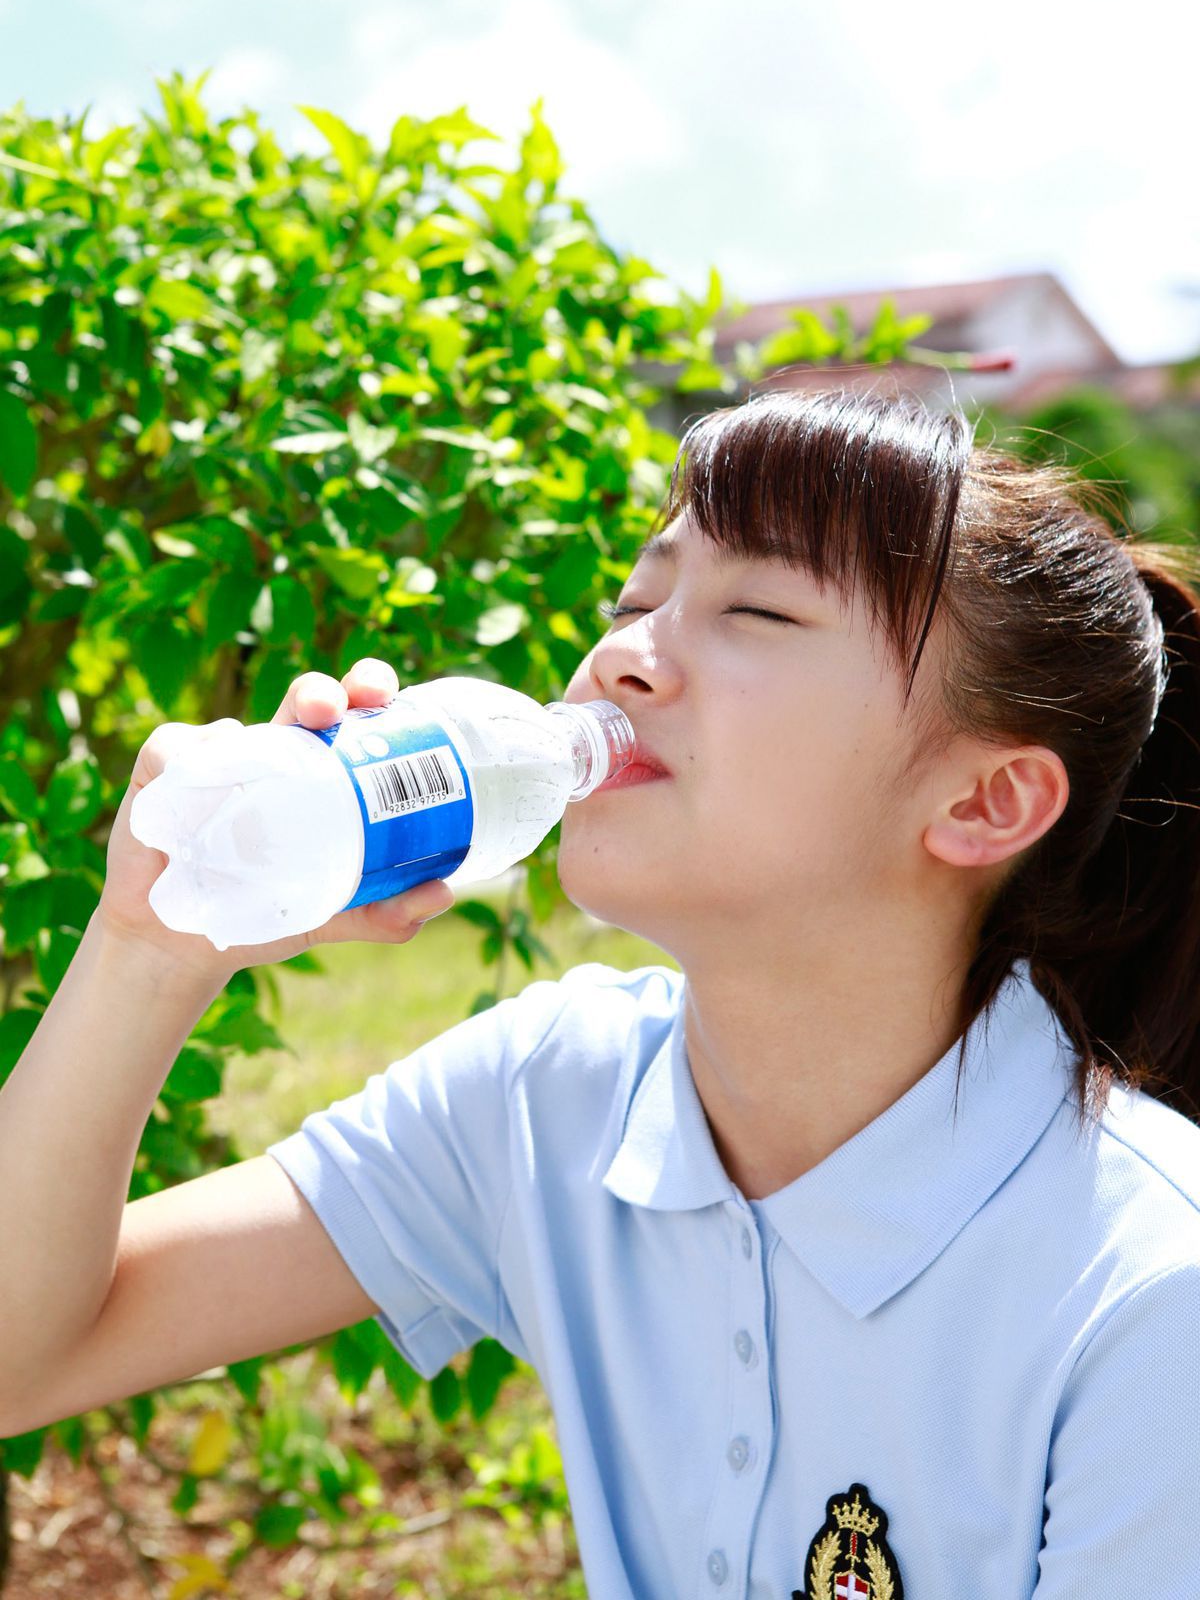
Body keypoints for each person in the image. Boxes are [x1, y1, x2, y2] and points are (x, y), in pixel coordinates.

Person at [3, 374, 1200, 1599]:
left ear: (984, 803)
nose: (624, 654)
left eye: (761, 613)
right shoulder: (551, 1097)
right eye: (637, 595)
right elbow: (21, 1357)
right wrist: (151, 949)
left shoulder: (1152, 1292)